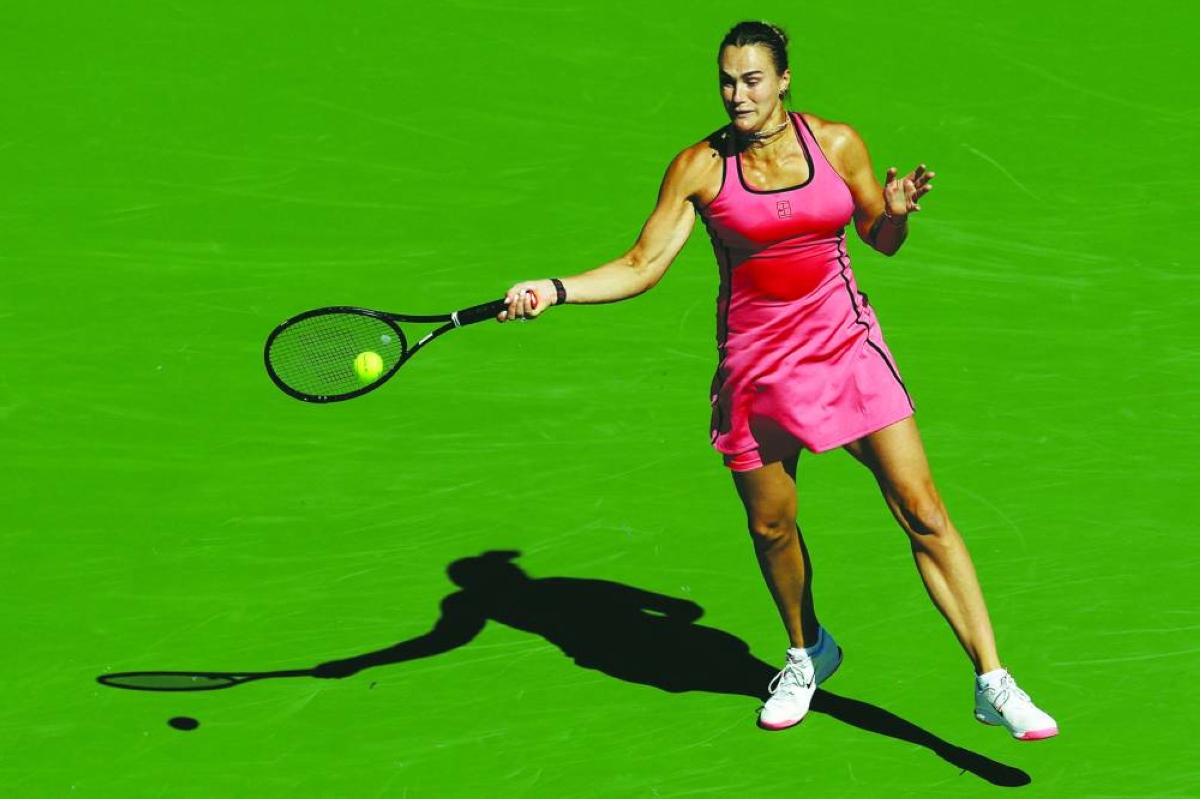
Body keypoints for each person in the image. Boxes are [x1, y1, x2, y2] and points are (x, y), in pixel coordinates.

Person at [497, 20, 1057, 741]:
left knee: (923, 510)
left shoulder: (837, 144)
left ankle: (993, 680)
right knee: (771, 526)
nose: (738, 95)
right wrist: (555, 287)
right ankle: (807, 651)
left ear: (784, 79)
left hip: (846, 350)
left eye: (752, 79)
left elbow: (877, 239)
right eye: (727, 81)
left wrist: (895, 215)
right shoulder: (700, 166)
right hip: (757, 368)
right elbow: (641, 264)